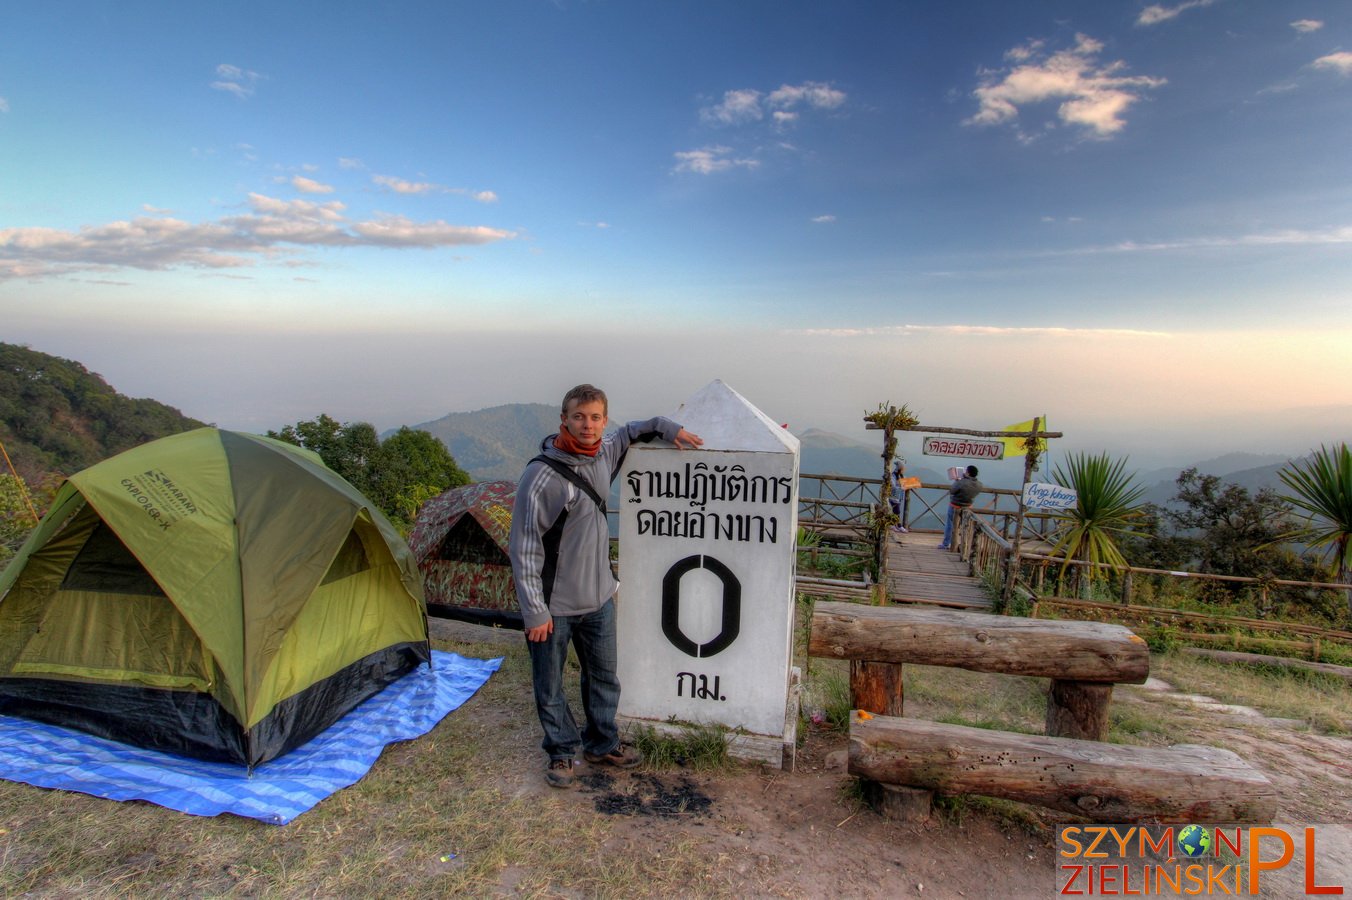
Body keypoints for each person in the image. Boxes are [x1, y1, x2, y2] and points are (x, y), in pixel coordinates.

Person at [508, 383, 703, 789]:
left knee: (603, 677)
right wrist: (534, 610)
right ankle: (561, 752)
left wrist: (668, 428)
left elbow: (634, 430)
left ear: (604, 420)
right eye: (579, 417)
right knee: (550, 683)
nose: (588, 425)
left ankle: (601, 743)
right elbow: (524, 547)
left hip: (598, 597)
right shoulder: (541, 477)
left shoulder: (603, 452)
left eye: (595, 417)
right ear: (563, 420)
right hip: (553, 605)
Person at [937, 464, 982, 551]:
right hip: (968, 507)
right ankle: (965, 545)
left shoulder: (962, 482)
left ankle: (946, 544)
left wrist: (957, 481)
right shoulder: (979, 485)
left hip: (955, 505)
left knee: (950, 525)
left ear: (968, 473)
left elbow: (952, 491)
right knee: (965, 526)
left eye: (966, 471)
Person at [888, 458, 908, 534]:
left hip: (899, 496)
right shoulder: (893, 476)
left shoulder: (901, 476)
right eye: (903, 468)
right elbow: (893, 486)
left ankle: (892, 525)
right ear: (900, 468)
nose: (904, 470)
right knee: (897, 511)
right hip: (893, 496)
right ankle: (899, 526)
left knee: (895, 511)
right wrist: (901, 488)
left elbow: (905, 483)